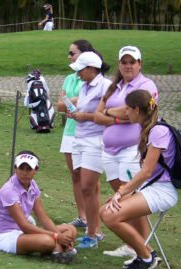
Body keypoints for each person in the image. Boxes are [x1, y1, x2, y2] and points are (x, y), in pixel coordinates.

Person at [100, 90, 177, 269]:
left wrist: (122, 192)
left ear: (135, 110)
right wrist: (124, 192)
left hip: (162, 191)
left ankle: (145, 257)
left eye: (127, 109)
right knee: (105, 211)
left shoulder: (158, 131)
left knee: (110, 215)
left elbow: (146, 172)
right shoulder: (148, 129)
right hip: (151, 187)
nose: (125, 112)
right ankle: (147, 254)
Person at [94, 46, 158, 257]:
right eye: (124, 62)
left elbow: (130, 111)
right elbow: (97, 115)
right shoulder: (115, 86)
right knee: (121, 198)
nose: (128, 66)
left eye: (132, 62)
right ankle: (133, 244)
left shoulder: (146, 85)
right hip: (110, 151)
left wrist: (110, 113)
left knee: (131, 198)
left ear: (140, 64)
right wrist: (118, 115)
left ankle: (143, 248)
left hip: (132, 149)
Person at [0, 151, 77, 262]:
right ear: (15, 169)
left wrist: (58, 235)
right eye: (21, 168)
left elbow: (43, 217)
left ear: (36, 169)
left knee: (71, 229)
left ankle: (58, 250)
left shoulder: (33, 185)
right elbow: (24, 226)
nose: (25, 173)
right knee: (48, 241)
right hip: (6, 236)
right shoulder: (9, 191)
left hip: (23, 233)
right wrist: (56, 236)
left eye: (29, 169)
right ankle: (59, 250)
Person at [66, 52, 111, 249]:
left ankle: (93, 233)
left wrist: (85, 116)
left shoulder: (106, 86)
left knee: (87, 187)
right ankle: (93, 230)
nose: (78, 75)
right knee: (84, 184)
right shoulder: (84, 87)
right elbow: (84, 111)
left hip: (96, 140)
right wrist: (76, 114)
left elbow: (108, 114)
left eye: (81, 70)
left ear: (92, 69)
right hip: (80, 138)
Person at [56, 39, 99, 228]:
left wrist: (71, 101)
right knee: (75, 175)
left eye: (72, 53)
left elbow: (92, 102)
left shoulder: (96, 79)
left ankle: (93, 220)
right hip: (70, 131)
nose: (69, 56)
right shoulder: (70, 78)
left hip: (89, 132)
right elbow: (59, 105)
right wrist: (75, 102)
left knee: (90, 178)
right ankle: (82, 216)